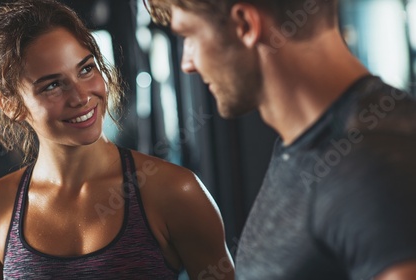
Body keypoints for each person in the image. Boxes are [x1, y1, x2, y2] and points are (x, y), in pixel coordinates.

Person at [0, 0, 234, 279]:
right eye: (52, 85)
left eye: (86, 69)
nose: (81, 97)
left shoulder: (175, 191)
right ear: (11, 105)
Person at [145, 0, 416, 279]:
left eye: (189, 36)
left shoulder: (373, 166)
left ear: (245, 25)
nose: (187, 63)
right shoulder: (304, 146)